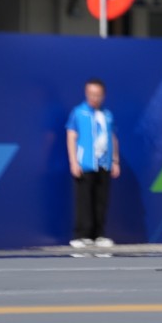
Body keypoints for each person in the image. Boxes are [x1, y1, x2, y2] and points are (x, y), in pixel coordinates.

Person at [65, 78, 119, 249]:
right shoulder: (78, 112)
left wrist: (115, 160)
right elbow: (71, 137)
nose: (94, 98)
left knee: (101, 200)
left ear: (103, 95)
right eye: (91, 94)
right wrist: (74, 162)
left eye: (98, 95)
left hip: (103, 163)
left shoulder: (107, 114)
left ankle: (99, 234)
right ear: (86, 94)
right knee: (84, 200)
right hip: (85, 163)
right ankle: (81, 235)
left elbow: (112, 137)